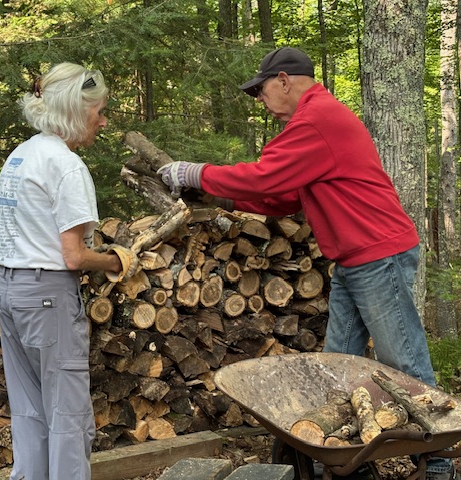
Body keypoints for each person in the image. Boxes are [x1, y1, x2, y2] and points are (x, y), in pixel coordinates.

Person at [157, 47, 456, 480]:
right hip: (356, 260)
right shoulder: (313, 121)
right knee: (339, 363)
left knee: (402, 360)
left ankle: (438, 459)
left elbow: (264, 177)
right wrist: (219, 194)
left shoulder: (318, 119)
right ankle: (346, 456)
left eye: (260, 91)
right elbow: (281, 197)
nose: (259, 100)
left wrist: (197, 173)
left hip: (378, 254)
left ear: (283, 80)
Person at [0, 62, 132, 480]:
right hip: (48, 296)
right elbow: (73, 257)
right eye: (98, 111)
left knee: (29, 410)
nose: (103, 121)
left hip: (9, 289)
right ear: (74, 111)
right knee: (67, 413)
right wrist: (116, 260)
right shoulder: (67, 166)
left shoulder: (22, 154)